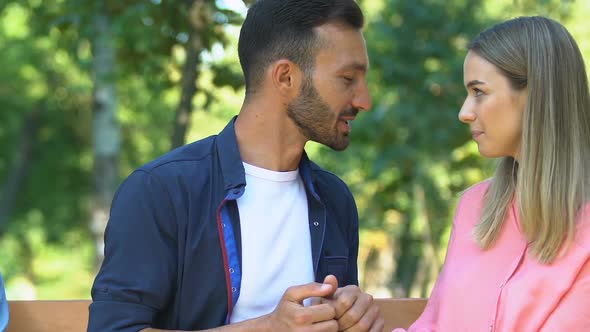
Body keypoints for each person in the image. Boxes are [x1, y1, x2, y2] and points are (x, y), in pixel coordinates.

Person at [88, 1, 384, 331]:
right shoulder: (160, 191)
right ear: (286, 77)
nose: (364, 100)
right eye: (347, 79)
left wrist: (353, 314)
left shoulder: (335, 200)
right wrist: (267, 328)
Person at [394, 16, 590, 331]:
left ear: (534, 94)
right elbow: (432, 325)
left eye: (479, 92)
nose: (464, 112)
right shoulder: (474, 207)